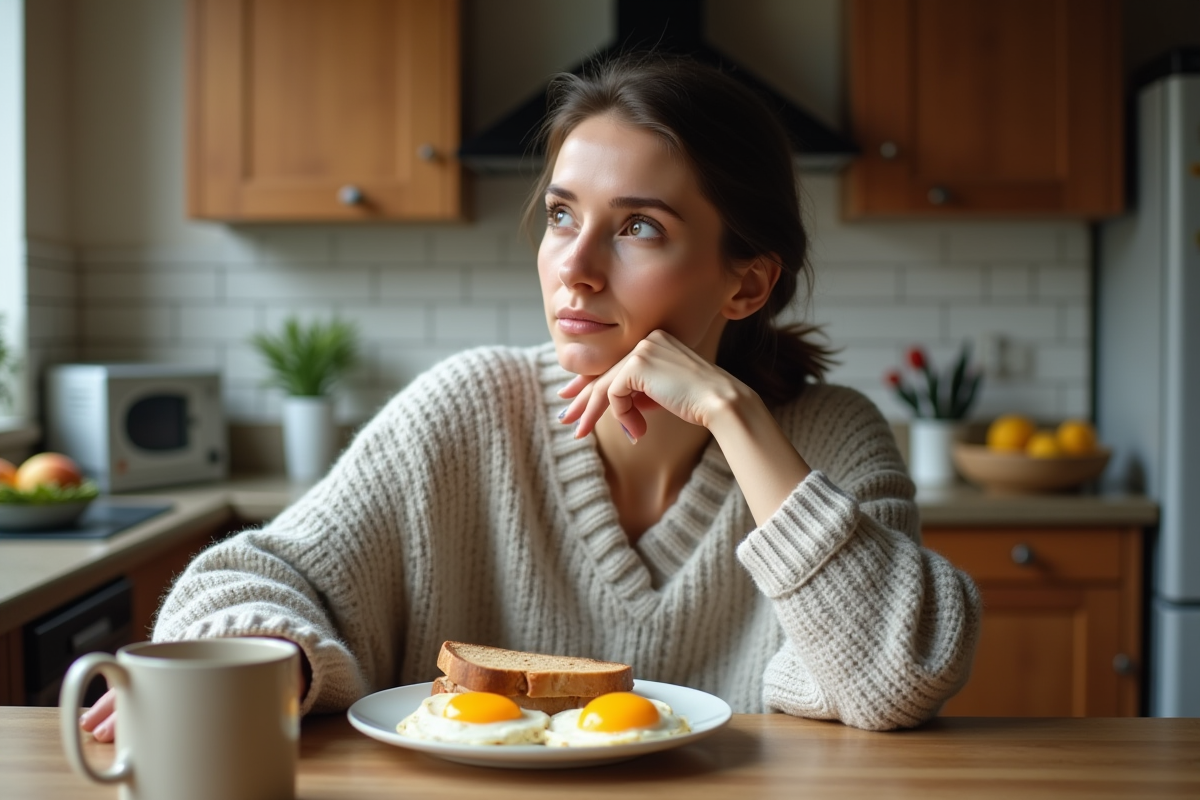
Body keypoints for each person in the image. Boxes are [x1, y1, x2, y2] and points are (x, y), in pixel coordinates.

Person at [81, 54, 980, 741]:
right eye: (561, 216)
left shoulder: (828, 437)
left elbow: (892, 676)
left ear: (745, 285)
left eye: (637, 228)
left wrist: (737, 419)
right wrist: (271, 665)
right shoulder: (470, 406)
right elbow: (254, 578)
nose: (575, 269)